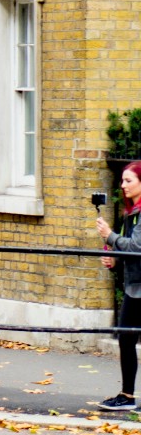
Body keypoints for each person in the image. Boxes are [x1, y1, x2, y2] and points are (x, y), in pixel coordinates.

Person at [95, 161, 141, 412]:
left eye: (128, 181)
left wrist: (110, 236)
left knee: (126, 337)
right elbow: (128, 250)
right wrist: (113, 259)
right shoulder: (131, 213)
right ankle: (126, 395)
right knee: (125, 338)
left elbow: (137, 247)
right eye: (122, 181)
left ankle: (127, 395)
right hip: (135, 286)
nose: (122, 186)